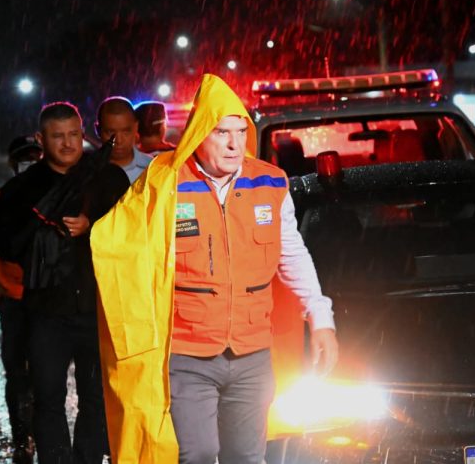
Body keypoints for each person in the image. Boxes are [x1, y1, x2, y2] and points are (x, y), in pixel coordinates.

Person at [90, 73, 339, 464]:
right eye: (221, 132)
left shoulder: (270, 184)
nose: (234, 143)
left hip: (253, 352)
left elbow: (292, 255)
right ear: (199, 134)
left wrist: (321, 319)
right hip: (188, 354)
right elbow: (120, 248)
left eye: (240, 131)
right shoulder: (165, 183)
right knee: (199, 455)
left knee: (246, 457)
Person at [0, 101, 130, 464]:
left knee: (95, 397)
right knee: (47, 398)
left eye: (74, 135)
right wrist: (40, 231)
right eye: (57, 136)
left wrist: (91, 228)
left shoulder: (109, 178)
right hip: (45, 311)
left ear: (84, 135)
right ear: (40, 139)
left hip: (98, 308)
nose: (67, 144)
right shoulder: (22, 188)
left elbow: (133, 236)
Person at [0, 135, 42, 464]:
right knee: (16, 370)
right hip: (13, 298)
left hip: (48, 301)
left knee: (46, 372)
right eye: (24, 159)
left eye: (35, 157)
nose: (30, 164)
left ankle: (44, 434)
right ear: (12, 164)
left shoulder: (56, 195)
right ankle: (21, 439)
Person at [96, 96, 154, 183]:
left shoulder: (152, 168)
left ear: (136, 127)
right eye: (110, 132)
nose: (119, 140)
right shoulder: (84, 172)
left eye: (126, 132)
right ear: (98, 130)